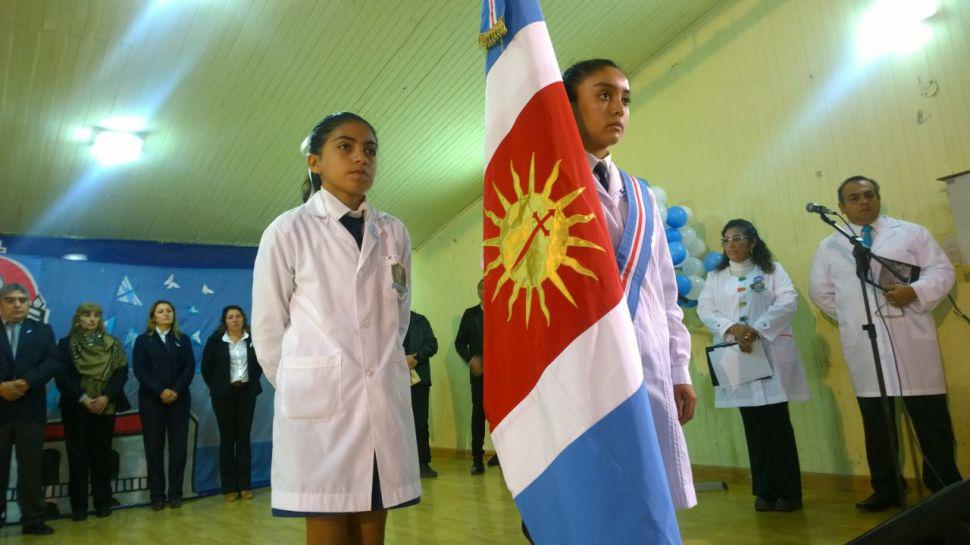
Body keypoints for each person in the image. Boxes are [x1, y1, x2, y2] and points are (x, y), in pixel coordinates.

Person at [252, 112, 419, 545]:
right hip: (322, 411)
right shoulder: (288, 230)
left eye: (370, 149)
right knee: (328, 529)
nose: (360, 157)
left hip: (380, 400)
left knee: (371, 530)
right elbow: (268, 332)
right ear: (315, 162)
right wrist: (306, 380)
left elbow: (398, 318)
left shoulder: (394, 232)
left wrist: (374, 369)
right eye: (345, 147)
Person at [563, 58, 697, 509]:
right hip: (581, 370)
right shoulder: (546, 189)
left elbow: (665, 294)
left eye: (625, 98)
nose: (618, 108)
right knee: (589, 502)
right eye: (603, 95)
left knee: (648, 498)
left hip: (649, 366)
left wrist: (678, 369)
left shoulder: (639, 194)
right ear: (569, 107)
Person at [809, 175, 962, 512]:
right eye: (854, 197)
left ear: (878, 197)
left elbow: (942, 271)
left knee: (931, 419)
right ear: (841, 207)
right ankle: (888, 490)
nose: (863, 201)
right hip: (865, 343)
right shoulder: (829, 247)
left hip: (912, 338)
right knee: (878, 424)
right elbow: (821, 293)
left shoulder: (910, 233)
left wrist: (915, 292)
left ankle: (945, 488)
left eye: (869, 194)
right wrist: (856, 316)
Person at [697, 220, 810, 512]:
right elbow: (705, 309)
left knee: (778, 426)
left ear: (752, 242)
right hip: (736, 355)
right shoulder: (716, 275)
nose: (730, 245)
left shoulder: (771, 269)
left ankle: (789, 493)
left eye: (737, 238)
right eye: (726, 240)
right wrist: (732, 327)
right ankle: (764, 491)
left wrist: (757, 329)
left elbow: (788, 300)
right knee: (753, 427)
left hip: (769, 353)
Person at [56, 302, 130, 521]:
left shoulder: (112, 344)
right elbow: (62, 376)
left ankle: (103, 503)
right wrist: (84, 398)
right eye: (87, 315)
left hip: (105, 407)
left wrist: (106, 397)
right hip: (76, 408)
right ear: (77, 318)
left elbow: (121, 374)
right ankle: (78, 508)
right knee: (77, 458)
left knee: (102, 456)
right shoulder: (65, 344)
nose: (92, 319)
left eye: (96, 315)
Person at [0, 283, 60, 535]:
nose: (17, 304)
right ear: (1, 303)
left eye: (22, 300)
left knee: (31, 468)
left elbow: (52, 362)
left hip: (30, 410)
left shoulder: (42, 331)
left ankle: (33, 520)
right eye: (10, 300)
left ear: (28, 304)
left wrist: (26, 382)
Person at [132, 300, 195, 510]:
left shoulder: (182, 340)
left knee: (178, 449)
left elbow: (189, 368)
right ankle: (157, 496)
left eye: (169, 310)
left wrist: (175, 390)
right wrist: (160, 391)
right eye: (161, 311)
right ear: (153, 317)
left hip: (179, 400)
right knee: (154, 448)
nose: (166, 314)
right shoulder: (143, 341)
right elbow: (140, 371)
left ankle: (175, 494)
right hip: (152, 401)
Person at [201, 305, 263, 501]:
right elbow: (206, 368)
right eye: (230, 317)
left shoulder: (253, 340)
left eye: (238, 316)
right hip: (224, 396)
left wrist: (249, 381)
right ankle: (228, 488)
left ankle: (244, 486)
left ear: (243, 319)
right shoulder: (215, 341)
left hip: (246, 393)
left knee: (243, 439)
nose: (235, 320)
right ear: (224, 321)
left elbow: (260, 364)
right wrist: (218, 386)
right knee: (227, 439)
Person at [455, 279, 487, 475]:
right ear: (477, 291)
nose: (485, 290)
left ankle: (502, 458)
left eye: (488, 287)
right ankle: (477, 459)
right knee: (478, 415)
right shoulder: (470, 314)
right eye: (482, 287)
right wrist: (471, 360)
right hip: (479, 374)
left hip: (501, 374)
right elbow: (459, 343)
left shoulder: (502, 311)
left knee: (501, 414)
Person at [403, 310, 438, 478]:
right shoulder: (385, 319)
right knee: (397, 424)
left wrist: (416, 358)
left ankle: (423, 463)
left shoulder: (419, 320)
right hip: (393, 380)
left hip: (419, 379)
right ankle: (401, 464)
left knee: (420, 422)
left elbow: (432, 344)